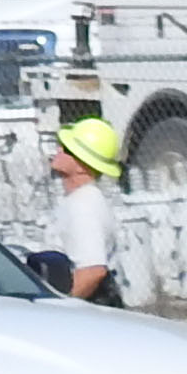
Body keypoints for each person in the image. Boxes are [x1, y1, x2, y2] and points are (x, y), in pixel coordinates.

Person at [49, 119, 124, 304]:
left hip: (93, 308)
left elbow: (93, 271)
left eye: (66, 149)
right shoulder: (79, 200)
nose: (58, 150)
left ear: (82, 165)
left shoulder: (84, 205)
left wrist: (60, 307)